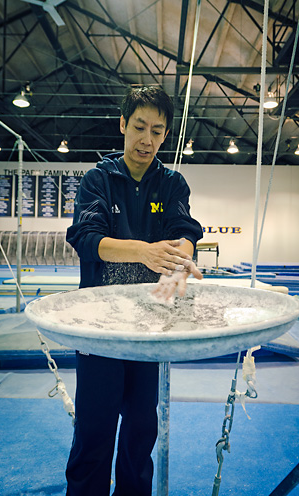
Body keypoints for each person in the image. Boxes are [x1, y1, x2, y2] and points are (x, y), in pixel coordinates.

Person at [65, 85, 203, 496]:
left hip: (149, 328)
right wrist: (142, 252)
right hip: (99, 329)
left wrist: (181, 260)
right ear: (123, 124)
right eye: (139, 127)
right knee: (95, 429)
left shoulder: (172, 184)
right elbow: (86, 238)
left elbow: (184, 231)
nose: (147, 139)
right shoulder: (97, 180)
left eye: (157, 131)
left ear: (166, 135)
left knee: (141, 428)